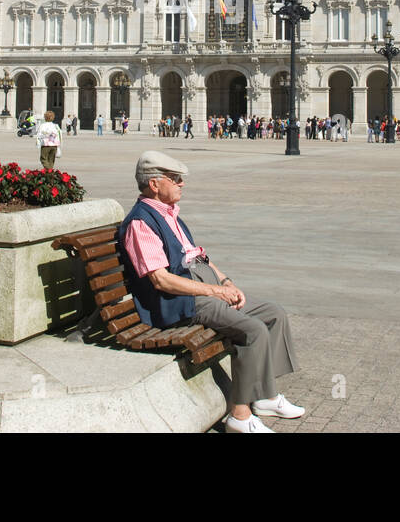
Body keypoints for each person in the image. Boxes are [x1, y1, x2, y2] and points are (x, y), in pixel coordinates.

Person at [120, 150, 302, 433]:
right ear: (154, 184)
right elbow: (162, 281)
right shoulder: (141, 222)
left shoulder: (170, 213)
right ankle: (239, 415)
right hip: (180, 303)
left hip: (202, 291)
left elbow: (197, 257)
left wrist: (226, 282)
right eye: (175, 178)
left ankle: (265, 396)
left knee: (274, 314)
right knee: (252, 330)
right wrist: (214, 292)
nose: (181, 183)